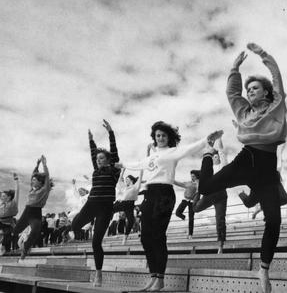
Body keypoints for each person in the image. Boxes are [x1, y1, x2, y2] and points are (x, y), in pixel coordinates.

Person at [198, 43, 287, 293]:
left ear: (267, 92)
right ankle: (207, 151)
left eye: (255, 88)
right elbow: (232, 94)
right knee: (205, 186)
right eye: (248, 89)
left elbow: (277, 78)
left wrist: (264, 56)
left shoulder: (276, 104)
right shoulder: (244, 111)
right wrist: (234, 69)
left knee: (274, 221)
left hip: (267, 169)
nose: (249, 92)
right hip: (246, 159)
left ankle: (264, 269)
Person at [123, 121, 222, 292]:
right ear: (154, 138)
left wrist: (207, 139)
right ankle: (153, 276)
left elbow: (190, 148)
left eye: (163, 135)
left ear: (168, 137)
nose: (160, 138)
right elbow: (138, 164)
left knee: (157, 235)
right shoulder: (151, 157)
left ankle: (160, 279)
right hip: (150, 194)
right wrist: (121, 164)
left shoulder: (173, 152)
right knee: (145, 237)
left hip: (164, 194)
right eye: (157, 135)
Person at [69, 120, 121, 286]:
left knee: (96, 242)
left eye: (101, 158)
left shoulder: (114, 170)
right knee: (74, 225)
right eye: (97, 158)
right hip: (91, 205)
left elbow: (114, 152)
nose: (98, 160)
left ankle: (98, 274)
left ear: (107, 160)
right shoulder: (96, 170)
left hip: (105, 208)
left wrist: (111, 133)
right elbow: (92, 153)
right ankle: (71, 235)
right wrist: (91, 140)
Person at [13, 155, 53, 259]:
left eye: (35, 180)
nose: (32, 181)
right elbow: (33, 175)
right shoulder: (32, 189)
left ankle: (25, 248)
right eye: (33, 180)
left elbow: (47, 177)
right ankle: (20, 239)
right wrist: (37, 165)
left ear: (41, 182)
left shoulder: (45, 189)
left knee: (35, 231)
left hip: (36, 214)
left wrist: (44, 165)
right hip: (27, 212)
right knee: (15, 231)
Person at [194, 138, 228, 253]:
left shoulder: (223, 166)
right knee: (195, 208)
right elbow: (206, 160)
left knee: (220, 219)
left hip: (220, 195)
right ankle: (197, 195)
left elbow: (222, 151)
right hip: (209, 194)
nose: (215, 158)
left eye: (216, 156)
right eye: (213, 157)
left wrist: (219, 139)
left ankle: (221, 246)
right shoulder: (209, 168)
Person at [113, 167, 143, 245]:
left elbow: (141, 176)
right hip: (121, 203)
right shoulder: (124, 187)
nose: (126, 181)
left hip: (130, 205)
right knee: (108, 210)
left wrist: (141, 167)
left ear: (131, 180)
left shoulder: (136, 186)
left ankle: (125, 237)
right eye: (125, 180)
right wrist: (122, 171)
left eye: (127, 179)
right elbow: (119, 180)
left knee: (131, 220)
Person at [173, 171, 199, 239]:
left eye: (193, 176)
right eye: (191, 176)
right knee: (177, 212)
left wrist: (197, 182)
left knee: (191, 218)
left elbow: (199, 191)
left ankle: (190, 234)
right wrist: (172, 180)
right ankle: (184, 217)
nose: (192, 177)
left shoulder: (198, 184)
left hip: (192, 202)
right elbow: (179, 183)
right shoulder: (188, 183)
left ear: (196, 176)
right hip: (185, 200)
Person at [0, 174, 19, 255]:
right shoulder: (2, 204)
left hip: (9, 223)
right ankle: (4, 248)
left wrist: (16, 180)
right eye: (1, 196)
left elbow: (17, 191)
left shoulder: (13, 203)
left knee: (8, 235)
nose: (1, 197)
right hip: (0, 222)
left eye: (3, 196)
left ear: (9, 197)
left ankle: (5, 248)